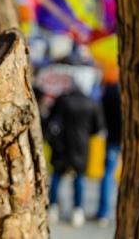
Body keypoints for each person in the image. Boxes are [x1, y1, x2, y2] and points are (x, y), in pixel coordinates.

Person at [46, 85, 105, 228]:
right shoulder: (91, 103)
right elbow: (98, 128)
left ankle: (52, 208)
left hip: (62, 145)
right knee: (79, 178)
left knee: (57, 176)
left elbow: (51, 121)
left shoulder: (63, 101)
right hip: (81, 146)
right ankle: (77, 211)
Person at [95, 83, 121, 226]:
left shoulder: (111, 90)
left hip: (113, 138)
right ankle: (103, 213)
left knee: (108, 175)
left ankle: (103, 213)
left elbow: (101, 112)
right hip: (122, 138)